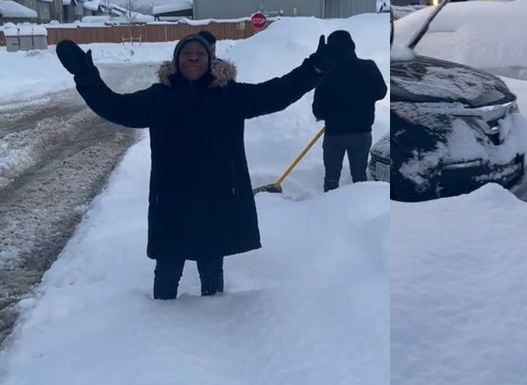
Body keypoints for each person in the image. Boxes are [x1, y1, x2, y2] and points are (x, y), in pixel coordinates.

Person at [54, 33, 341, 299]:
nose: (193, 57)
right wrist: (86, 76)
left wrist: (314, 68)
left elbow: (278, 92)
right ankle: (158, 321)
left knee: (212, 265)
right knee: (168, 267)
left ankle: (214, 318)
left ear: (210, 60)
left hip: (217, 194)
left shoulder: (231, 95)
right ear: (176, 62)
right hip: (172, 195)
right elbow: (115, 107)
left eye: (199, 54)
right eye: (186, 53)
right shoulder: (159, 97)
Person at [311, 30, 387, 191]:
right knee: (359, 178)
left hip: (334, 135)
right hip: (362, 133)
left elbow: (318, 110)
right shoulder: (368, 67)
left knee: (331, 178)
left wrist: (332, 113)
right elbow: (381, 92)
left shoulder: (326, 74)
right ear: (352, 47)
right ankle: (361, 212)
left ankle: (330, 210)